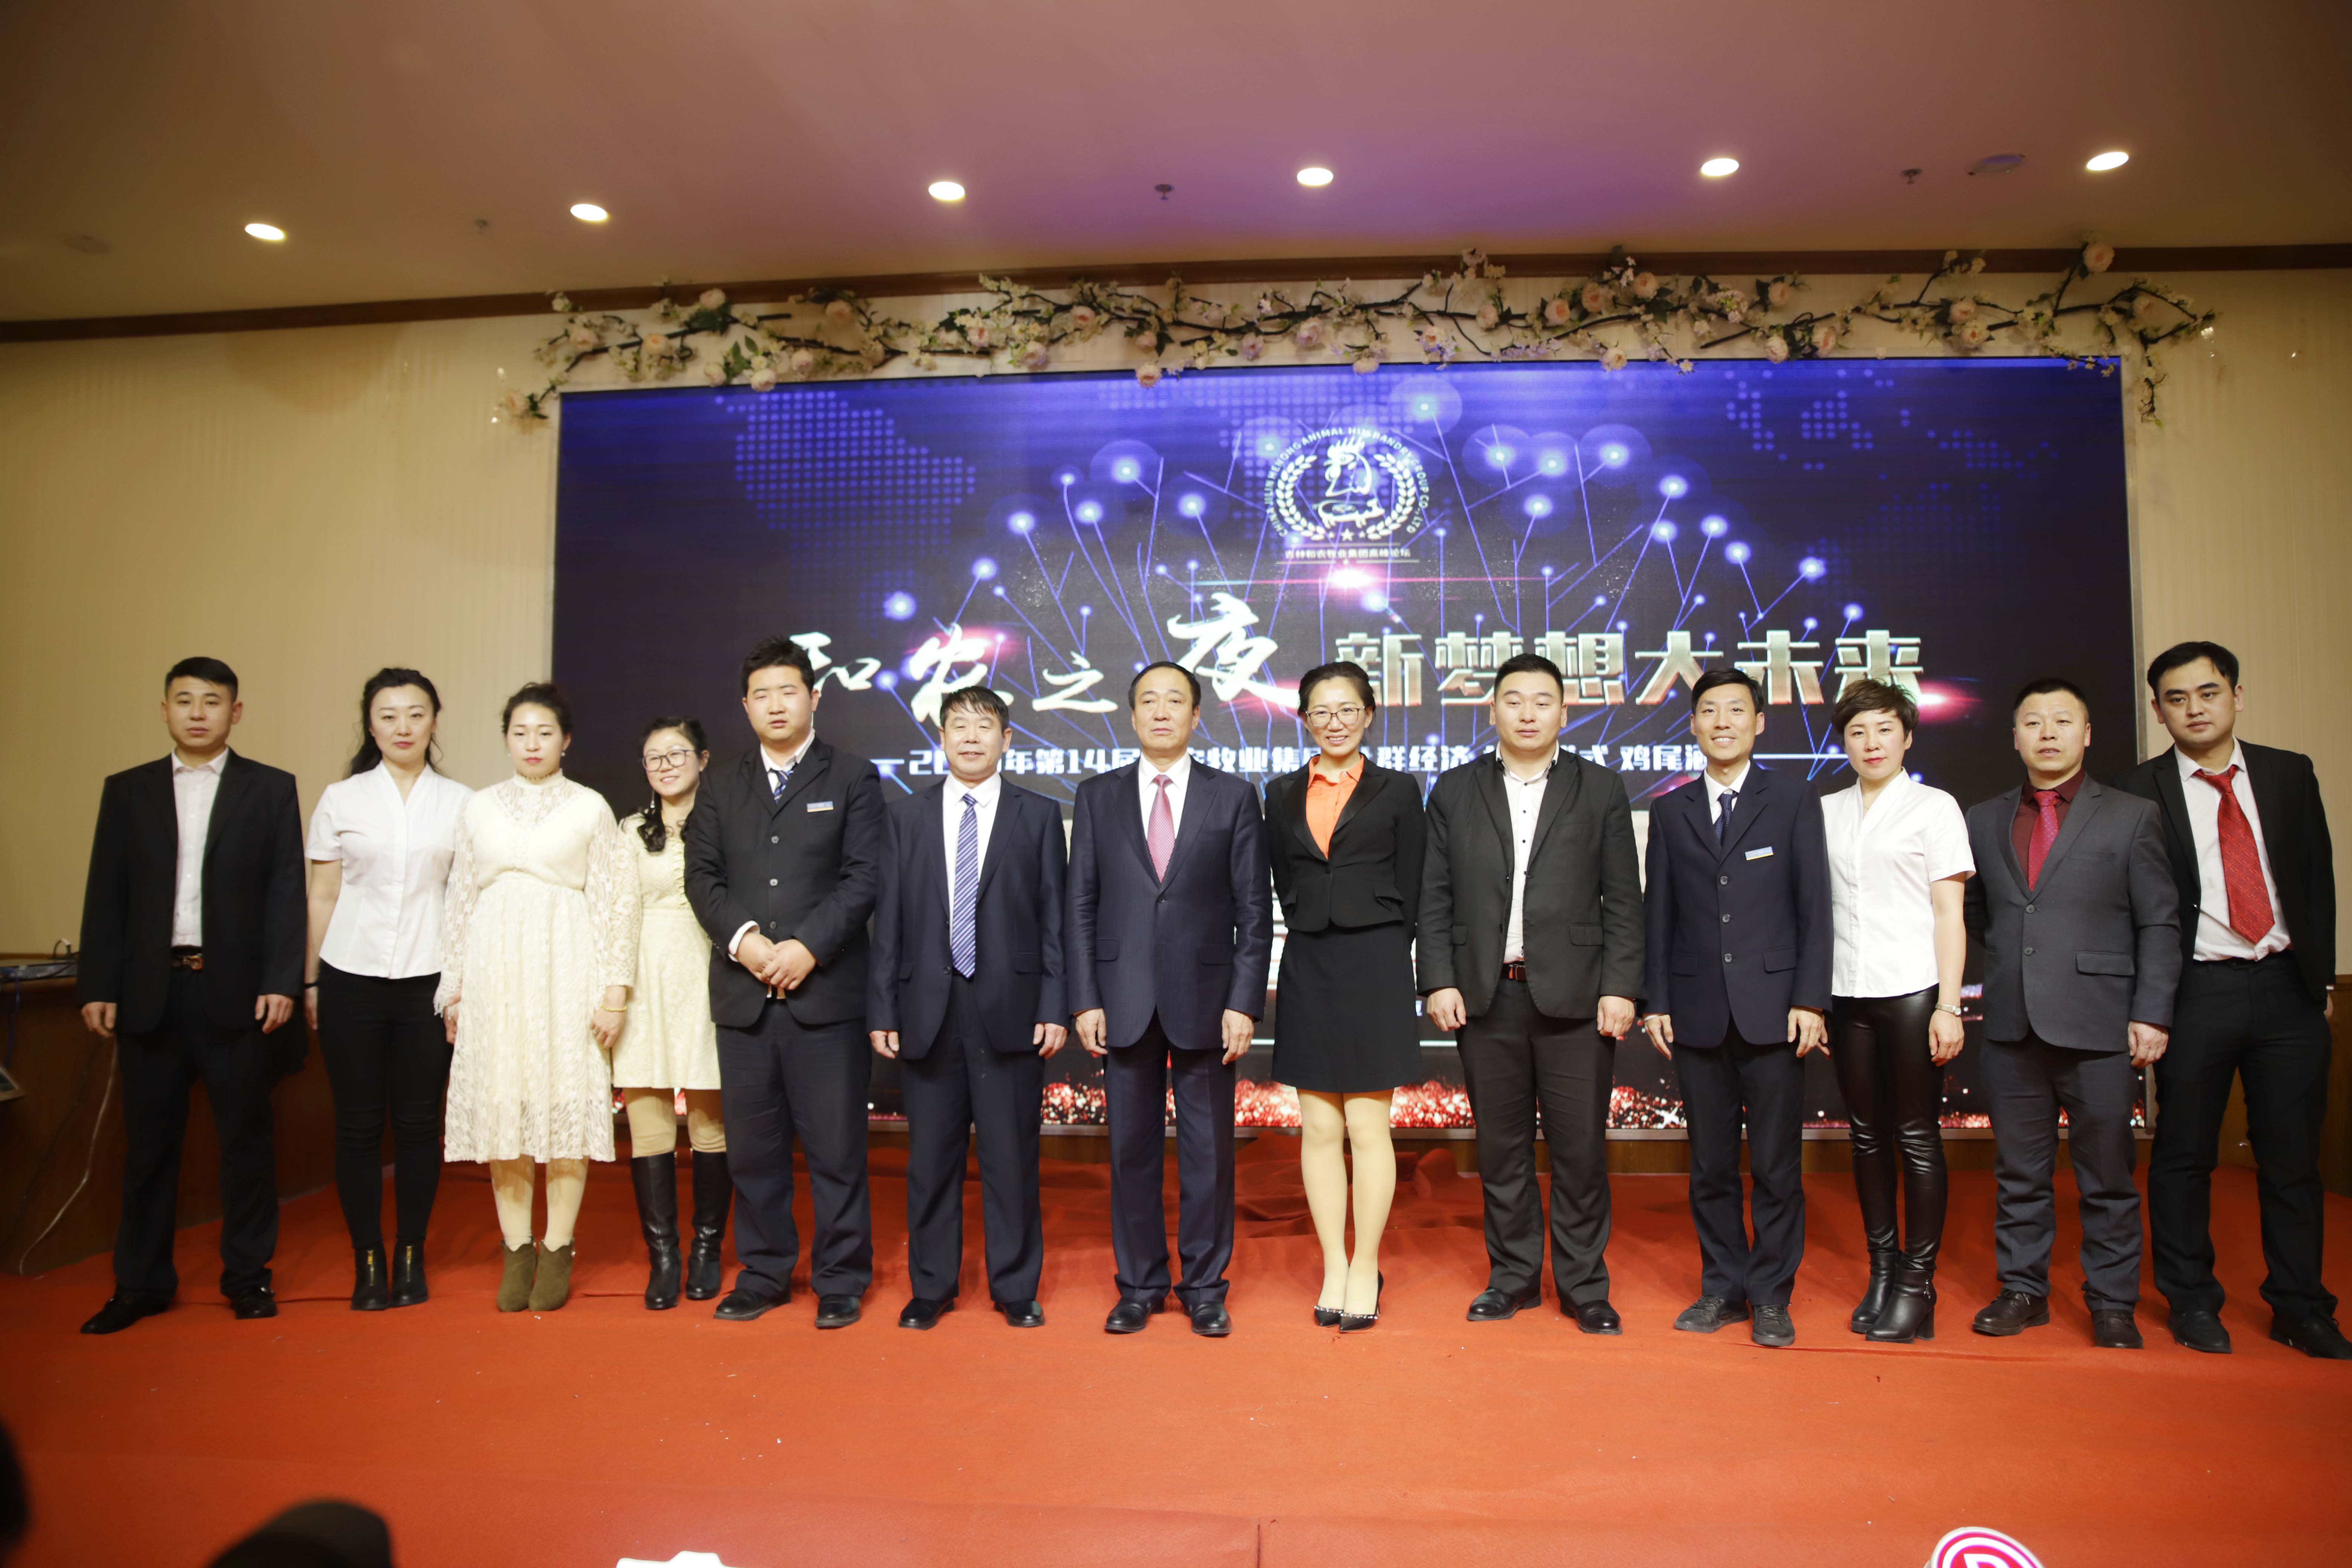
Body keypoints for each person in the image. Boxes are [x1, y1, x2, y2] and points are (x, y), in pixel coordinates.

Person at [2118, 642, 2347, 1359]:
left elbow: (2316, 878)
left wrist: (2320, 980)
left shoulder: (2288, 773)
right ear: (2158, 711)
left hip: (2286, 987)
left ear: (2236, 696)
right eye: (2177, 699)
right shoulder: (2137, 792)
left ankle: (2301, 1307)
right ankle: (2192, 1301)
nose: (2195, 709)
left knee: (2293, 1159)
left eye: (2209, 693)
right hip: (2196, 990)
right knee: (2184, 1155)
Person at [77, 657, 304, 1335]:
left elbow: (286, 892)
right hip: (151, 993)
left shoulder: (271, 789)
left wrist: (281, 981)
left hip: (237, 994)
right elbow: (106, 893)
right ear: (165, 710)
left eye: (212, 701)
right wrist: (98, 984)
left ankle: (247, 1278)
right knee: (148, 1150)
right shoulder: (128, 791)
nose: (198, 712)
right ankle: (140, 1285)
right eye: (184, 700)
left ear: (236, 712)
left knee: (246, 1144)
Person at [1420, 654, 1642, 1332]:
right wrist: (1439, 978)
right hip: (1486, 995)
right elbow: (1434, 896)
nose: (1527, 713)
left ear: (1563, 713)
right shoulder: (1454, 791)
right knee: (1502, 1149)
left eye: (1542, 701)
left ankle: (1584, 1286)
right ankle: (1512, 1278)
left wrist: (1621, 988)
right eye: (1513, 700)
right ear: (1492, 710)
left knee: (1579, 1150)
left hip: (1578, 998)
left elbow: (1623, 902)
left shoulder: (1600, 788)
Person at [1963, 677, 2178, 1349]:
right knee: (2019, 1174)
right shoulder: (1983, 819)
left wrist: (2152, 1013)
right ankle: (2023, 1289)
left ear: (2087, 734)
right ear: (2015, 737)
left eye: (2062, 720)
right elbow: (1976, 915)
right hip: (2012, 1026)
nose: (2048, 733)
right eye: (2033, 722)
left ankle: (2112, 1302)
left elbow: (2160, 922)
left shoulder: (2132, 815)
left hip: (2101, 1024)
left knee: (2108, 1176)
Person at [683, 637, 885, 1328]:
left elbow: (864, 878)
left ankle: (841, 1278)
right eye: (762, 695)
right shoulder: (720, 782)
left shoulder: (853, 777)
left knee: (836, 1150)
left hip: (825, 997)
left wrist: (808, 948)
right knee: (755, 1152)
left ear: (814, 698)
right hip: (745, 998)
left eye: (788, 691)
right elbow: (701, 877)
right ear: (745, 707)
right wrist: (745, 942)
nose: (776, 705)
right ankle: (764, 1272)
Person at [1068, 661, 1272, 1337]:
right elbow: (1081, 906)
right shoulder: (1096, 797)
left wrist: (1244, 1001)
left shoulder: (1233, 796)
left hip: (1208, 1001)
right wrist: (1085, 999)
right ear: (1132, 716)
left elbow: (1254, 909)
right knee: (1130, 1153)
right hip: (1121, 999)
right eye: (1149, 702)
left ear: (1196, 715)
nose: (1161, 712)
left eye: (1175, 701)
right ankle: (1139, 1286)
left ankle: (1206, 1287)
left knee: (1209, 1155)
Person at [1639, 668, 1831, 1348]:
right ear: (1693, 725)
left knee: (1776, 1167)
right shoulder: (1671, 810)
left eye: (1736, 711)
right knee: (1711, 1165)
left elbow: (1814, 907)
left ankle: (1772, 1295)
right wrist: (1656, 1000)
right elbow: (1658, 913)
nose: (1722, 723)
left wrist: (1810, 998)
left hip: (1775, 1011)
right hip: (1695, 1012)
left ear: (1759, 722)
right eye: (1709, 712)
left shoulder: (1794, 799)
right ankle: (1722, 1288)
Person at [869, 684, 1068, 1329]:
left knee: (1012, 1159)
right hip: (928, 1007)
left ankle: (1016, 1288)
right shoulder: (906, 816)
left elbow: (1055, 921)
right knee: (931, 1160)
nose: (972, 737)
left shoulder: (1038, 815)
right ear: (942, 738)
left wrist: (1055, 1005)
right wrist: (883, 1010)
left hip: (1012, 1007)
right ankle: (931, 1287)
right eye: (959, 725)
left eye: (985, 726)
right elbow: (888, 922)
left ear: (1007, 740)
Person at [437, 683, 639, 1313]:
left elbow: (614, 905)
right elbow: (459, 901)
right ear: (506, 738)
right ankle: (516, 1248)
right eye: (520, 732)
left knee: (564, 1106)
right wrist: (454, 990)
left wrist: (613, 992)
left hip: (567, 967)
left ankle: (557, 1247)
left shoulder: (590, 807)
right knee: (506, 1110)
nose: (532, 743)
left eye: (545, 732)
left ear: (566, 740)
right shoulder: (478, 807)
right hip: (494, 972)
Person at [1261, 661, 1425, 1331]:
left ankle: (1366, 1264)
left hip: (1376, 963)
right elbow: (1282, 876)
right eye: (1321, 712)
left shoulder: (1399, 789)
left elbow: (1414, 881)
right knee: (1320, 1128)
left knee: (1367, 1125)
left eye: (1347, 710)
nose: (1335, 723)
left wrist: (1385, 942)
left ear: (1369, 715)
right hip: (1310, 962)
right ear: (1304, 719)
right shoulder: (1279, 793)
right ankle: (1334, 1262)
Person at [302, 669, 471, 1311]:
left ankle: (410, 1254)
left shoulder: (460, 803)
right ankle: (367, 1258)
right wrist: (311, 979)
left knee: (420, 1125)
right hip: (350, 975)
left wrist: (460, 987)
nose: (403, 727)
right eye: (389, 716)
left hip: (428, 981)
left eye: (416, 714)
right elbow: (323, 894)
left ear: (435, 721)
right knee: (357, 1125)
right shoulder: (341, 799)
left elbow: (465, 902)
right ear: (370, 726)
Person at [1819, 678, 1973, 1344]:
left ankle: (1918, 1283)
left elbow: (1949, 914)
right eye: (1857, 732)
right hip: (1845, 991)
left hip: (1913, 990)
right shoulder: (1826, 810)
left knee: (1916, 1135)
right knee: (1865, 1136)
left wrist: (1949, 1004)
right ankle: (1882, 1271)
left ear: (1907, 737)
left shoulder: (1934, 807)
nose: (1871, 743)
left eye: (1884, 729)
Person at [612, 717, 729, 1312]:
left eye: (677, 754)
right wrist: (614, 993)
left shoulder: (728, 819)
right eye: (654, 757)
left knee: (712, 1125)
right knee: (650, 1125)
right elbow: (616, 915)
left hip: (711, 975)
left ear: (702, 759)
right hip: (645, 979)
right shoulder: (629, 831)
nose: (665, 765)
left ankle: (707, 1248)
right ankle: (664, 1258)